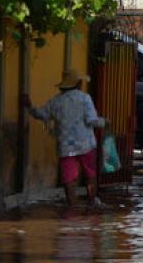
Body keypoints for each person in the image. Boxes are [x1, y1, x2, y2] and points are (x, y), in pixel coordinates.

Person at [25, 68, 107, 208]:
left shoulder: (56, 102)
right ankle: (92, 202)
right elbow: (91, 120)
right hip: (85, 145)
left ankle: (72, 207)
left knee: (69, 178)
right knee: (90, 174)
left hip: (66, 147)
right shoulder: (85, 99)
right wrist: (105, 122)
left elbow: (41, 114)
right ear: (79, 84)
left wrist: (29, 106)